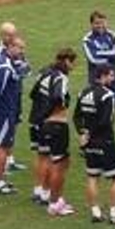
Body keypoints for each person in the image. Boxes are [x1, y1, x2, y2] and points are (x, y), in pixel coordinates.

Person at [75, 63, 115, 224]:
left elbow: (77, 117)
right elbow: (106, 121)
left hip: (89, 142)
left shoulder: (83, 92)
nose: (113, 78)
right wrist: (91, 133)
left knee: (92, 176)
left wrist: (83, 132)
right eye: (111, 75)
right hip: (104, 140)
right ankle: (114, 214)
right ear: (103, 76)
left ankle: (96, 212)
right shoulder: (108, 95)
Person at [29, 48, 79, 216]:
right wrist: (57, 108)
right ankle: (55, 201)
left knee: (45, 157)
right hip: (57, 125)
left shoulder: (44, 73)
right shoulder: (60, 78)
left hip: (42, 124)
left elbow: (33, 93)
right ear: (66, 61)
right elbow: (59, 97)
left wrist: (42, 113)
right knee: (60, 164)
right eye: (73, 62)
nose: (74, 65)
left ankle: (43, 192)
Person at [0, 34, 27, 195]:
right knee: (2, 147)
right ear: (10, 47)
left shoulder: (4, 63)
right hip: (5, 112)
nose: (22, 51)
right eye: (20, 48)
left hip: (4, 111)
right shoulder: (5, 68)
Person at [0, 21, 28, 172]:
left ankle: (9, 160)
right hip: (5, 99)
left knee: (13, 125)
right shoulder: (0, 53)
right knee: (2, 133)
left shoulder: (16, 49)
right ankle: (1, 168)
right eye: (11, 35)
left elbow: (25, 68)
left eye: (15, 34)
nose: (14, 37)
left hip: (15, 93)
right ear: (3, 35)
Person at [81, 9, 115, 105]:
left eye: (103, 23)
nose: (100, 26)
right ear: (91, 24)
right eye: (97, 23)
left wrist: (100, 53)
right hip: (96, 82)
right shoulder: (87, 40)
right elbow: (93, 59)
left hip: (113, 80)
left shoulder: (113, 35)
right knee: (96, 107)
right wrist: (111, 56)